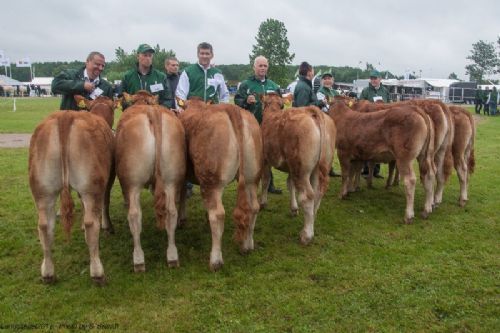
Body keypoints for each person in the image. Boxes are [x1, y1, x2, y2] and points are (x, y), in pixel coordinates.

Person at [234, 55, 282, 194]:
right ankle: (246, 182)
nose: (262, 68)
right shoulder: (246, 85)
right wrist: (245, 101)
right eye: (260, 65)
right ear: (254, 67)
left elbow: (281, 106)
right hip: (251, 126)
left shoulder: (273, 86)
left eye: (265, 66)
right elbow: (237, 102)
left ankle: (269, 185)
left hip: (270, 129)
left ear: (268, 68)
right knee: (250, 155)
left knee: (268, 155)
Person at [359, 69, 391, 178]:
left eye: (375, 78)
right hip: (368, 122)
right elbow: (360, 105)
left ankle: (376, 171)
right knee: (367, 145)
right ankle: (366, 170)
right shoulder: (365, 91)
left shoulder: (385, 91)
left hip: (382, 123)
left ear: (380, 79)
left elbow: (390, 105)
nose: (373, 80)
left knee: (379, 146)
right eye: (372, 78)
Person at [121, 43, 173, 108]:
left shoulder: (161, 77)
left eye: (150, 55)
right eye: (145, 55)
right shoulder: (127, 77)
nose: (148, 58)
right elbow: (122, 99)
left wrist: (158, 110)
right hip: (134, 114)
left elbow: (168, 99)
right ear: (137, 56)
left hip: (155, 115)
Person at [316, 72, 341, 177]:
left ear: (332, 80)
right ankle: (322, 168)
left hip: (335, 121)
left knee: (332, 146)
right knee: (324, 146)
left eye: (329, 78)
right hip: (325, 120)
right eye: (325, 79)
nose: (327, 80)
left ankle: (329, 168)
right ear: (322, 81)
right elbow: (324, 106)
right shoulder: (320, 92)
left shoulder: (335, 92)